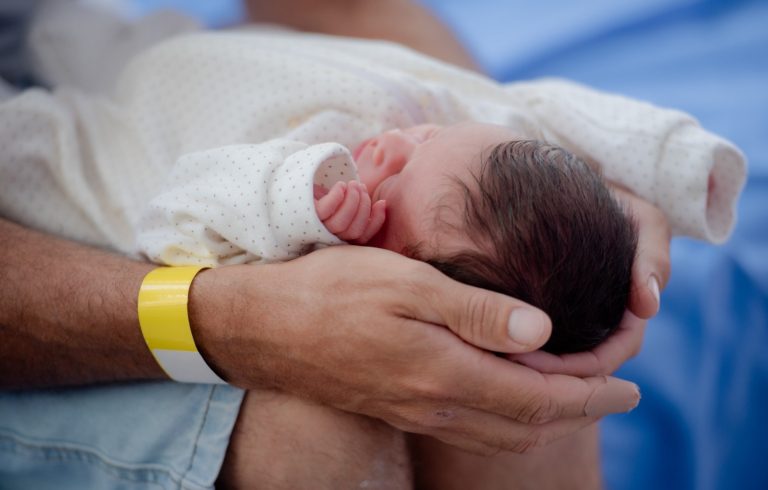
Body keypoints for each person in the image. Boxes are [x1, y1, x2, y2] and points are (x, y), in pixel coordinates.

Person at [0, 2, 740, 489]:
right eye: (426, 138)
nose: (403, 134)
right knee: (323, 435)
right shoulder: (382, 153)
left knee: (518, 397)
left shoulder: (365, 170)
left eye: (421, 156)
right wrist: (232, 318)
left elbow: (531, 112)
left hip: (81, 94)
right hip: (134, 96)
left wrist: (565, 194)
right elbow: (175, 220)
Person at [140, 122, 637, 354]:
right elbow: (539, 106)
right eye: (430, 135)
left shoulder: (292, 266)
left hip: (123, 126)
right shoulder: (471, 152)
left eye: (394, 182)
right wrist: (679, 168)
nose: (394, 138)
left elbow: (173, 217)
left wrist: (291, 205)